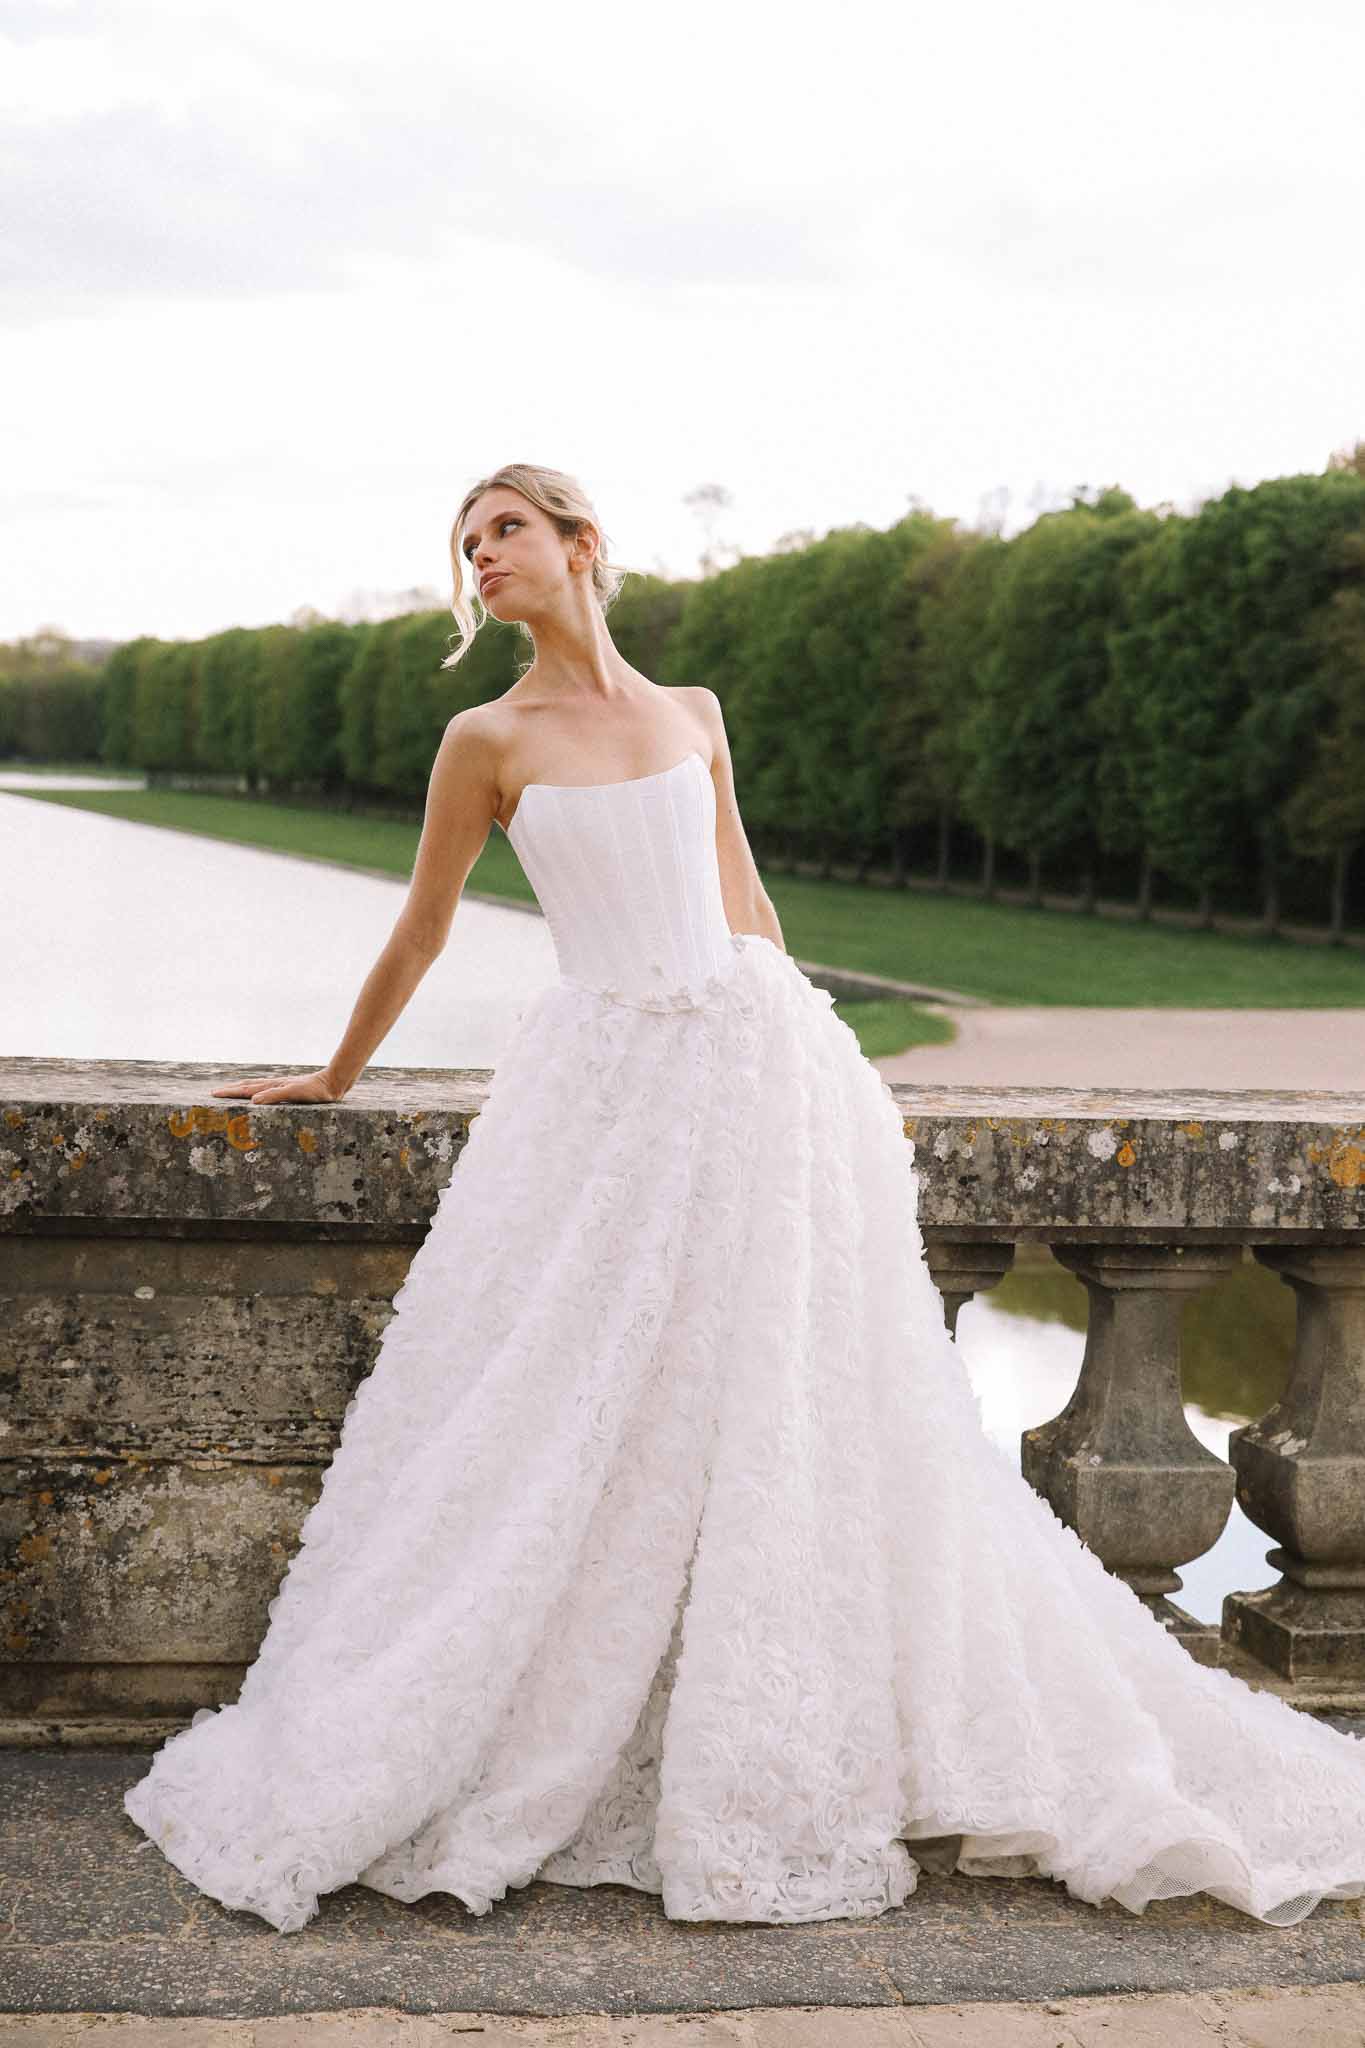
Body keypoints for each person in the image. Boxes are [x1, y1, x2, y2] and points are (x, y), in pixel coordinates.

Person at [124, 462, 1365, 1936]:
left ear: (580, 543)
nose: (481, 560)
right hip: (601, 1100)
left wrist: (818, 1064)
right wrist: (332, 1078)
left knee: (777, 1400)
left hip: (756, 1079)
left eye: (503, 531)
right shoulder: (486, 735)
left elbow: (746, 904)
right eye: (466, 546)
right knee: (573, 1404)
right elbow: (425, 923)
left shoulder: (693, 711)